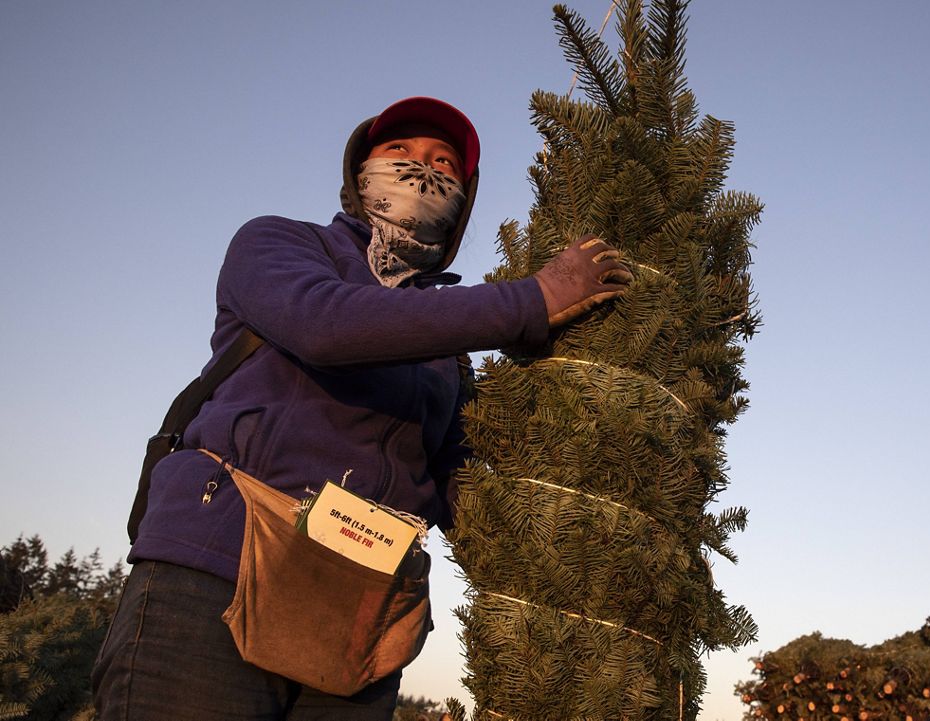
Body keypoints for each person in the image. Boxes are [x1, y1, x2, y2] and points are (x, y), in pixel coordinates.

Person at [92, 96, 631, 719]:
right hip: (219, 570)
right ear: (359, 174)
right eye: (399, 152)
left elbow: (455, 479)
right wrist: (528, 301)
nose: (421, 170)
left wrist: (563, 554)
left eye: (443, 163)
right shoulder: (279, 243)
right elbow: (325, 325)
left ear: (462, 200)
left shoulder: (447, 348)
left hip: (359, 614)